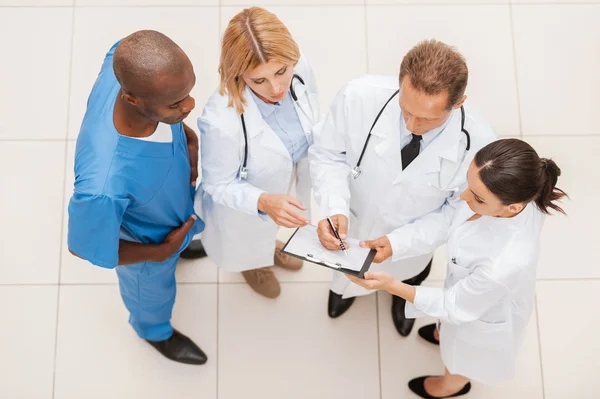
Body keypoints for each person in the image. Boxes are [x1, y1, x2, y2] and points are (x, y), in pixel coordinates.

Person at [348, 138, 567, 398]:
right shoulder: (505, 189)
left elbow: (454, 305)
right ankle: (445, 335)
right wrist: (396, 243)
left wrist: (393, 286)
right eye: (468, 182)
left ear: (512, 207)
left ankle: (451, 386)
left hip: (482, 312)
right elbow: (450, 219)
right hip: (469, 292)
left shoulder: (503, 262)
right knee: (451, 330)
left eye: (476, 197)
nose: (463, 196)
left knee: (464, 357)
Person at [309, 39, 496, 337]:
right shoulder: (358, 96)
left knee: (407, 279)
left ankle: (401, 301)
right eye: (406, 109)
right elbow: (327, 154)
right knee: (345, 274)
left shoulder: (479, 147)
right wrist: (333, 206)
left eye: (427, 118)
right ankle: (342, 291)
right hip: (354, 224)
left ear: (458, 103)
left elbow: (460, 213)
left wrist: (401, 242)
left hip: (413, 243)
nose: (411, 124)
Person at [67, 30, 207, 365]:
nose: (190, 105)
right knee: (151, 293)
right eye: (176, 103)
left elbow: (122, 45)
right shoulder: (102, 185)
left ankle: (182, 246)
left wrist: (185, 136)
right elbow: (83, 246)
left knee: (182, 236)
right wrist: (161, 251)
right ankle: (154, 332)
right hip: (148, 246)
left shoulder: (127, 62)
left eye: (189, 92)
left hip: (171, 206)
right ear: (132, 99)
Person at [196, 7, 320, 298]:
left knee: (274, 228)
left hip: (289, 176)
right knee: (249, 241)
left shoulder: (300, 67)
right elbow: (217, 184)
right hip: (246, 205)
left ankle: (271, 246)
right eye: (258, 80)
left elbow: (313, 117)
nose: (276, 88)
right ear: (238, 75)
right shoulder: (220, 121)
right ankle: (254, 265)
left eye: (281, 72)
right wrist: (263, 201)